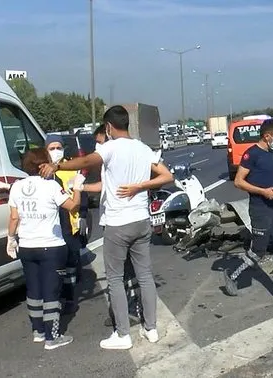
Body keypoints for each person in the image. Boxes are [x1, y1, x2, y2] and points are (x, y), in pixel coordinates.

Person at [39, 105, 173, 350]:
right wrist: (139, 186)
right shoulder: (143, 148)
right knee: (145, 276)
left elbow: (87, 161)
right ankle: (151, 329)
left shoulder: (110, 148)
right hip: (141, 221)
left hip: (117, 224)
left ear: (109, 127)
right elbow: (167, 176)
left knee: (115, 279)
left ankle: (123, 334)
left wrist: (57, 166)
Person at [7, 148, 84, 350]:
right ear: (43, 165)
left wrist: (11, 239)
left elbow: (14, 217)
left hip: (26, 246)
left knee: (33, 289)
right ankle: (53, 336)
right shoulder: (51, 186)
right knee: (52, 291)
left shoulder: (16, 187)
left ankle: (38, 331)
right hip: (51, 247)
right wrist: (77, 187)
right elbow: (73, 206)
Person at [222, 119, 273, 300]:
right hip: (260, 209)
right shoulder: (251, 154)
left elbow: (268, 177)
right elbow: (238, 181)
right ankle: (232, 275)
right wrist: (263, 192)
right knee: (259, 251)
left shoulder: (271, 153)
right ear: (267, 136)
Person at [86, 125, 143, 327]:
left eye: (100, 142)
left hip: (119, 222)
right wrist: (82, 187)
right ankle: (124, 311)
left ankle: (129, 313)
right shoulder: (112, 160)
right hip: (117, 220)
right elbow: (104, 186)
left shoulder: (117, 158)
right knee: (124, 271)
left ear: (109, 136)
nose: (98, 146)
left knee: (122, 271)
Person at [44, 135, 89, 314]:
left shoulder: (71, 168)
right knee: (56, 267)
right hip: (51, 225)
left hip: (70, 222)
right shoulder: (43, 170)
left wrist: (83, 215)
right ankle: (58, 296)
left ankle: (69, 299)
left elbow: (82, 193)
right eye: (52, 148)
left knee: (70, 262)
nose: (56, 151)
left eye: (58, 147)